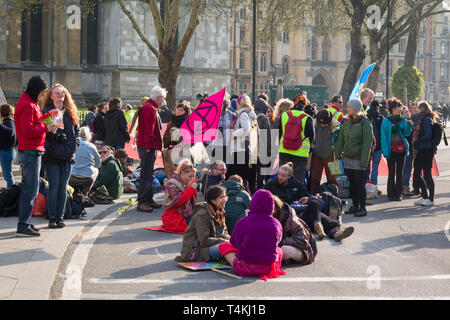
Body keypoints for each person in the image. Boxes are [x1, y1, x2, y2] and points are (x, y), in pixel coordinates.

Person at [14, 75, 58, 237]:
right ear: (36, 90)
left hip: (31, 150)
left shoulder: (29, 102)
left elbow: (34, 122)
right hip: (31, 151)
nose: (43, 95)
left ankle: (24, 222)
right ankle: (23, 225)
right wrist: (47, 128)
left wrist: (47, 116)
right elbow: (28, 130)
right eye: (43, 92)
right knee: (30, 190)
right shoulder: (28, 104)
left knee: (30, 189)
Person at [265, 162, 354, 241]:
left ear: (289, 176)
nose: (280, 177)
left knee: (314, 204)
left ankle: (335, 233)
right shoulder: (271, 184)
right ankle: (320, 225)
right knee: (317, 215)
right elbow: (263, 198)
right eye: (279, 174)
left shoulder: (297, 184)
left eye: (283, 176)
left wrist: (309, 198)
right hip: (285, 214)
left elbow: (306, 195)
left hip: (300, 212)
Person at [217, 189, 286, 281]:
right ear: (272, 206)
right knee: (279, 250)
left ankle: (234, 264)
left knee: (224, 246)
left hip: (244, 268)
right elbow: (278, 241)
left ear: (253, 204)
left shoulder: (243, 222)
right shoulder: (277, 223)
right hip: (268, 268)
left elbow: (234, 242)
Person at [41, 84, 80, 229]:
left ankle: (60, 216)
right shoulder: (47, 112)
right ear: (51, 96)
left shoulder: (70, 112)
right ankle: (52, 217)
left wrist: (75, 145)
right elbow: (44, 134)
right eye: (56, 92)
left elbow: (77, 132)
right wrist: (49, 148)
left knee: (63, 188)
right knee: (54, 187)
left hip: (67, 156)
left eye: (62, 92)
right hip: (52, 157)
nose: (59, 95)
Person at [335, 99, 373, 217]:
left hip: (358, 160)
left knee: (359, 185)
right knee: (352, 184)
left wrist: (364, 161)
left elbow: (368, 143)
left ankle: (362, 208)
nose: (347, 108)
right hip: (347, 158)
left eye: (349, 106)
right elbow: (341, 138)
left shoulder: (365, 122)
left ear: (355, 108)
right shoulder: (346, 121)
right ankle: (355, 206)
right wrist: (337, 154)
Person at [175, 185, 229, 262]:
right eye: (221, 197)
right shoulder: (202, 214)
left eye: (225, 197)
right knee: (228, 246)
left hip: (211, 246)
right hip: (195, 252)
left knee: (238, 244)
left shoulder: (220, 211)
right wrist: (224, 241)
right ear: (213, 201)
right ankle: (237, 265)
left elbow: (224, 233)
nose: (225, 199)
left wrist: (233, 240)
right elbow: (204, 241)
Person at [135, 86, 165, 212]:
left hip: (146, 145)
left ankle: (148, 199)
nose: (163, 101)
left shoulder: (149, 107)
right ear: (158, 97)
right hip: (146, 145)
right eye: (162, 98)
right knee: (146, 175)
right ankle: (143, 201)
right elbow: (149, 130)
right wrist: (148, 147)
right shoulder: (150, 109)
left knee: (148, 174)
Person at [152, 159, 198, 233]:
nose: (192, 178)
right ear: (182, 173)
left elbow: (193, 201)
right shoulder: (172, 183)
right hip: (174, 218)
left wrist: (191, 188)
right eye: (190, 176)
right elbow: (179, 201)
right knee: (199, 226)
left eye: (193, 176)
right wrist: (191, 189)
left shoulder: (186, 182)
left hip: (185, 215)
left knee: (203, 221)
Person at [278, 93, 314, 185]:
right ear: (305, 105)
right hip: (300, 155)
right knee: (298, 182)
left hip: (284, 152)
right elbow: (311, 138)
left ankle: (282, 198)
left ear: (294, 103)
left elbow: (279, 133)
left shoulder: (284, 115)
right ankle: (296, 199)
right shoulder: (308, 119)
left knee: (283, 179)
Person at [380, 98, 412, 201]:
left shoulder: (403, 120)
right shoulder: (386, 121)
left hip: (401, 149)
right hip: (390, 150)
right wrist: (385, 151)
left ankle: (398, 194)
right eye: (399, 107)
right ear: (393, 108)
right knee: (391, 172)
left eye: (401, 107)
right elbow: (383, 137)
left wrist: (409, 126)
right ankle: (391, 193)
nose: (400, 109)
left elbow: (407, 133)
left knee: (399, 173)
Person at [272, 195, 317, 264]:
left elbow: (303, 240)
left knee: (285, 250)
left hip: (304, 250)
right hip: (277, 247)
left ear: (275, 209)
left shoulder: (289, 219)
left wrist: (280, 242)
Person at [228, 94, 258, 194]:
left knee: (235, 176)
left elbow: (246, 130)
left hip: (241, 149)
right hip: (251, 148)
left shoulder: (243, 114)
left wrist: (234, 134)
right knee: (250, 179)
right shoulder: (251, 115)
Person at [412, 101, 438, 207]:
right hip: (422, 149)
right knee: (416, 174)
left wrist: (418, 142)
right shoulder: (422, 118)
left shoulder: (427, 119)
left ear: (422, 108)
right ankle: (424, 196)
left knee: (427, 175)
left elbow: (427, 135)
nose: (416, 109)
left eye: (418, 107)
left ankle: (430, 199)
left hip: (426, 150)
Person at [310, 108, 340, 193]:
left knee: (333, 179)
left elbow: (341, 139)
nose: (323, 125)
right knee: (314, 178)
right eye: (321, 123)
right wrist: (311, 145)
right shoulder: (313, 123)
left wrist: (335, 146)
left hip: (332, 156)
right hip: (316, 155)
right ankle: (314, 195)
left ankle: (335, 196)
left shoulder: (337, 125)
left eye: (325, 123)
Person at [162, 100, 192, 178]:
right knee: (174, 173)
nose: (178, 112)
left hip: (186, 151)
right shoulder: (172, 122)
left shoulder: (189, 122)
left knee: (185, 172)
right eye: (177, 109)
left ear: (186, 112)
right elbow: (166, 137)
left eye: (181, 110)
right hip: (173, 150)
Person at [69, 126, 101, 196]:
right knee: (96, 170)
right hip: (86, 176)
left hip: (71, 174)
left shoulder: (72, 144)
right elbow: (98, 164)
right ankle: (85, 193)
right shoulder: (92, 146)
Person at [255, 98, 275, 189]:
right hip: (262, 151)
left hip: (252, 150)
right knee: (261, 175)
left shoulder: (251, 115)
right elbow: (268, 136)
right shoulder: (263, 118)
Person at [211, 98, 236, 165]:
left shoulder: (230, 114)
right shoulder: (214, 114)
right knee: (217, 162)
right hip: (217, 143)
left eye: (221, 104)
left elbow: (236, 119)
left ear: (225, 105)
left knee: (226, 162)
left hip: (227, 143)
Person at [367, 100, 384, 193]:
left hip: (368, 146)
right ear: (377, 107)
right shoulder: (380, 118)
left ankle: (367, 186)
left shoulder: (366, 116)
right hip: (378, 146)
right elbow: (382, 133)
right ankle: (374, 187)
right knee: (375, 167)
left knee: (367, 168)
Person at [0, 104, 17, 188]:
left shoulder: (9, 121)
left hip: (6, 152)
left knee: (8, 176)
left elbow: (10, 133)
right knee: (8, 175)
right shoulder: (9, 121)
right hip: (7, 151)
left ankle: (11, 193)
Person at [401, 105, 416, 197]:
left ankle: (403, 186)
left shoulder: (410, 120)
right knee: (407, 168)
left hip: (409, 148)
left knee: (406, 168)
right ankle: (405, 187)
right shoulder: (404, 122)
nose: (408, 112)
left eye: (408, 111)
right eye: (405, 111)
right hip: (407, 149)